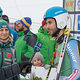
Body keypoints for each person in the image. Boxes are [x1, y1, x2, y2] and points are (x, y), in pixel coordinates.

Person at [44, 6, 80, 80]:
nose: (47, 27)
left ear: (60, 21)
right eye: (46, 23)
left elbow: (77, 72)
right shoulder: (59, 43)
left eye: (50, 22)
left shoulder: (70, 43)